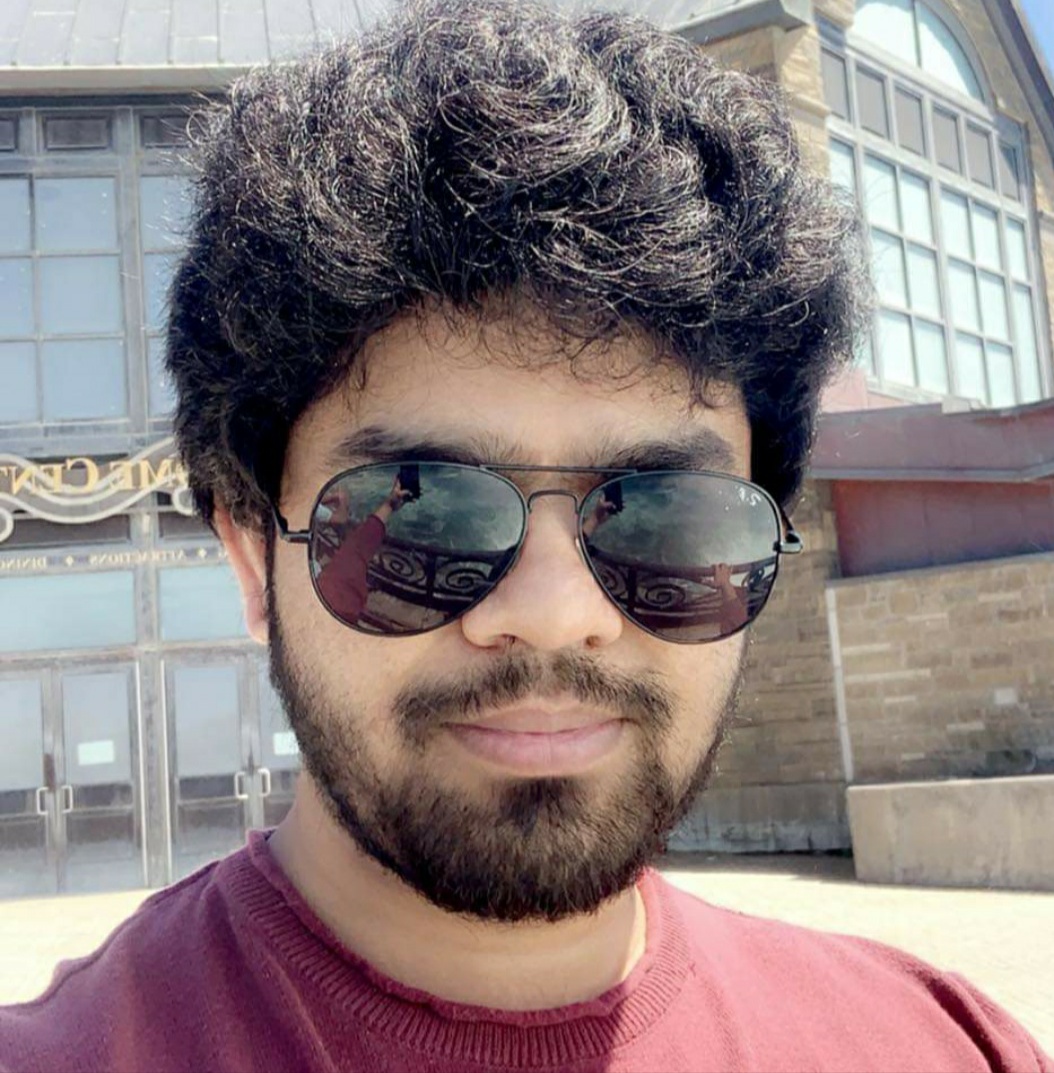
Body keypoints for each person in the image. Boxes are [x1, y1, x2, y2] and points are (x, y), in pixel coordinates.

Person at [1, 1, 1050, 1070]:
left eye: (667, 516)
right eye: (421, 511)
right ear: (249, 558)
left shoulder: (944, 1047)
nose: (554, 612)